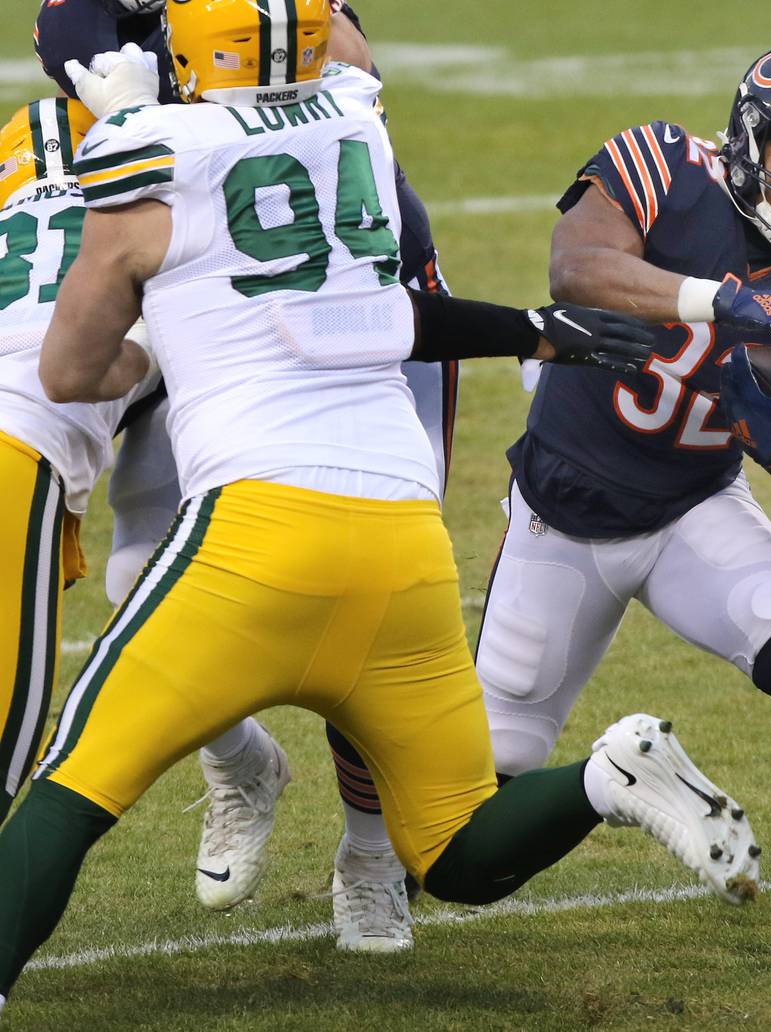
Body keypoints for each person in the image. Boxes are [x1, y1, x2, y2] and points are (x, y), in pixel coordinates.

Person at [0, 0, 759, 1017]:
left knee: (69, 788)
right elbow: (392, 307)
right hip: (399, 540)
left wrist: (160, 340)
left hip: (253, 545)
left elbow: (69, 364)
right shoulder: (352, 126)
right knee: (453, 849)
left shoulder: (149, 152)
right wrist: (534, 331)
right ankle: (609, 776)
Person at [475, 35, 771, 952]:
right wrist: (722, 301)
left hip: (694, 505)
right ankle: (617, 779)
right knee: (488, 794)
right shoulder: (662, 165)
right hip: (562, 515)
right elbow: (575, 268)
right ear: (750, 139)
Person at [33, 0, 460, 951]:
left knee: (383, 590)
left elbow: (343, 55)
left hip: (359, 287)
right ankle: (242, 766)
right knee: (141, 567)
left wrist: (156, 101)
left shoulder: (288, 25)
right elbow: (67, 40)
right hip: (209, 287)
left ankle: (370, 857)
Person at [0, 94, 156, 826]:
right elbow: (94, 370)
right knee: (11, 736)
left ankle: (241, 765)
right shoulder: (166, 190)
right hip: (22, 442)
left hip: (28, 436)